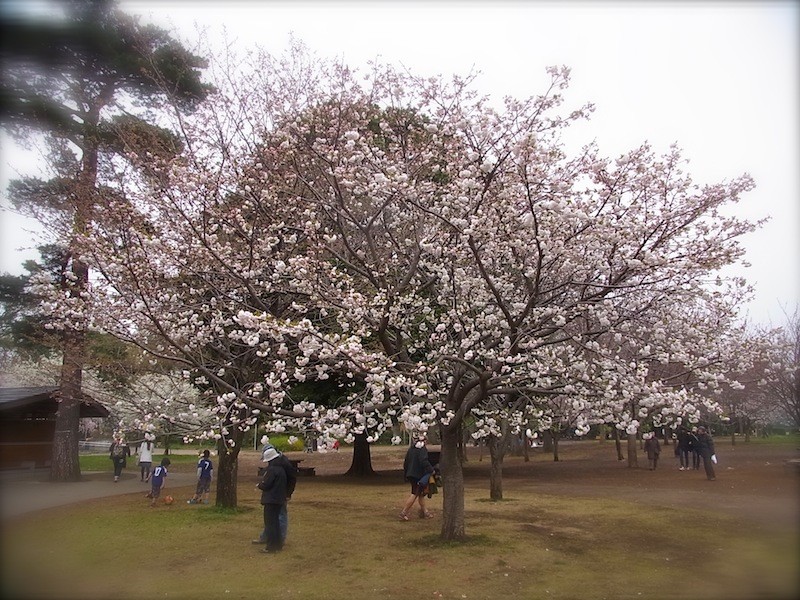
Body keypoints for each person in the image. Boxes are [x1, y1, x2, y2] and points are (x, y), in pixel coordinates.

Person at [252, 443, 297, 545]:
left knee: (280, 516)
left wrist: (288, 493)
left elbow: (292, 478)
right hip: (277, 493)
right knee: (271, 517)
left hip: (279, 493)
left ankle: (279, 539)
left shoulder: (282, 463)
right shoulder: (276, 462)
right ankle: (267, 537)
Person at [257, 446, 288, 553]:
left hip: (270, 500)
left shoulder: (271, 470)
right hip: (279, 499)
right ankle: (278, 545)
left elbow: (266, 484)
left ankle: (271, 546)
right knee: (276, 523)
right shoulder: (281, 470)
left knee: (270, 524)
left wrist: (260, 485)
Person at [399, 433, 435, 521]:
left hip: (411, 474)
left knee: (421, 494)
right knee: (415, 493)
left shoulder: (411, 449)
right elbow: (423, 461)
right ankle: (404, 512)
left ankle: (425, 512)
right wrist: (431, 470)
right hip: (418, 475)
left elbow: (406, 462)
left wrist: (406, 474)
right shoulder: (422, 449)